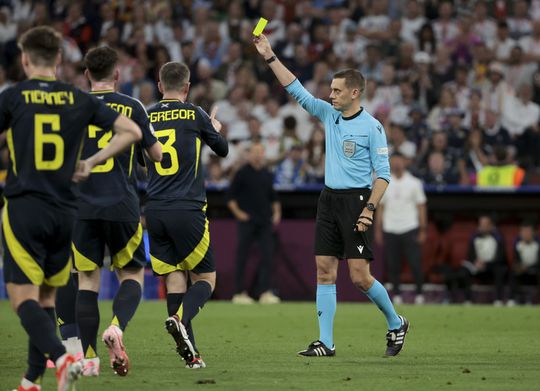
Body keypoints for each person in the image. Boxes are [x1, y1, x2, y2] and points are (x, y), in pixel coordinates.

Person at [0, 26, 142, 391]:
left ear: (25, 59)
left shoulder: (13, 97)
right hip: (65, 210)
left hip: (25, 206)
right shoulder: (77, 100)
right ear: (60, 59)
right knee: (47, 297)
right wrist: (92, 161)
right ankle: (31, 380)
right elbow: (131, 133)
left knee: (22, 298)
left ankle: (65, 358)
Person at [253, 34, 409, 358]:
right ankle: (326, 342)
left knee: (360, 278)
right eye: (331, 90)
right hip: (328, 199)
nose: (331, 94)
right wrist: (269, 56)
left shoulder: (372, 127)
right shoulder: (329, 114)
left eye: (337, 90)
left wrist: (369, 209)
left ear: (355, 92)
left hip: (356, 202)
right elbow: (295, 89)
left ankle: (396, 322)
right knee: (324, 270)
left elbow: (383, 174)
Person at [70, 46, 162, 377]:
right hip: (122, 204)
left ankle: (90, 358)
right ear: (117, 75)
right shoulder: (133, 106)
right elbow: (157, 155)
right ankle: (117, 327)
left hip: (82, 206)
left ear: (86, 75)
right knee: (132, 275)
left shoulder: (73, 106)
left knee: (87, 281)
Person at [145, 62, 228, 369]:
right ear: (187, 86)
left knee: (175, 278)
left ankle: (191, 357)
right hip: (187, 208)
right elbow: (223, 151)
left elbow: (145, 157)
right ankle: (179, 319)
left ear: (159, 84)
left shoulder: (147, 115)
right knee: (206, 278)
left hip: (154, 209)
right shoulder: (195, 113)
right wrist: (214, 131)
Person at [227, 142, 282, 304]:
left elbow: (273, 197)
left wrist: (277, 212)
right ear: (249, 154)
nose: (258, 155)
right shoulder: (242, 173)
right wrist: (238, 213)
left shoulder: (266, 173)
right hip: (247, 222)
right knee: (242, 257)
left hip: (264, 222)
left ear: (263, 154)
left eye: (260, 152)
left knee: (267, 257)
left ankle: (265, 292)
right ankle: (239, 293)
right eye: (254, 152)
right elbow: (230, 198)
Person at [375, 153, 427, 305]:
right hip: (390, 228)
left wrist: (423, 229)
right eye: (393, 161)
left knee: (415, 263)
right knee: (392, 265)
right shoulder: (384, 182)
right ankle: (396, 294)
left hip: (409, 227)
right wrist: (378, 229)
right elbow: (381, 207)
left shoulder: (414, 183)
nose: (397, 164)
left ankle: (419, 294)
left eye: (399, 161)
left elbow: (421, 206)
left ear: (405, 162)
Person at [459, 215, 507, 305]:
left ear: (491, 226)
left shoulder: (498, 238)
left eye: (486, 224)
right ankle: (467, 300)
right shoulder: (474, 238)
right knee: (464, 271)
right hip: (477, 266)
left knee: (500, 270)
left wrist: (487, 264)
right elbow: (470, 255)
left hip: (492, 266)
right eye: (481, 224)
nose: (483, 226)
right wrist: (476, 262)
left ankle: (498, 300)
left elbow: (501, 257)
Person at [508, 221, 540, 305]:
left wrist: (530, 268)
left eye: (527, 231)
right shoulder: (518, 244)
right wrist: (519, 267)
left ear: (533, 232)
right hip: (522, 270)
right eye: (523, 232)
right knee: (512, 273)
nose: (525, 234)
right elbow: (515, 260)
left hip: (536, 269)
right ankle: (512, 299)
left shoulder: (538, 244)